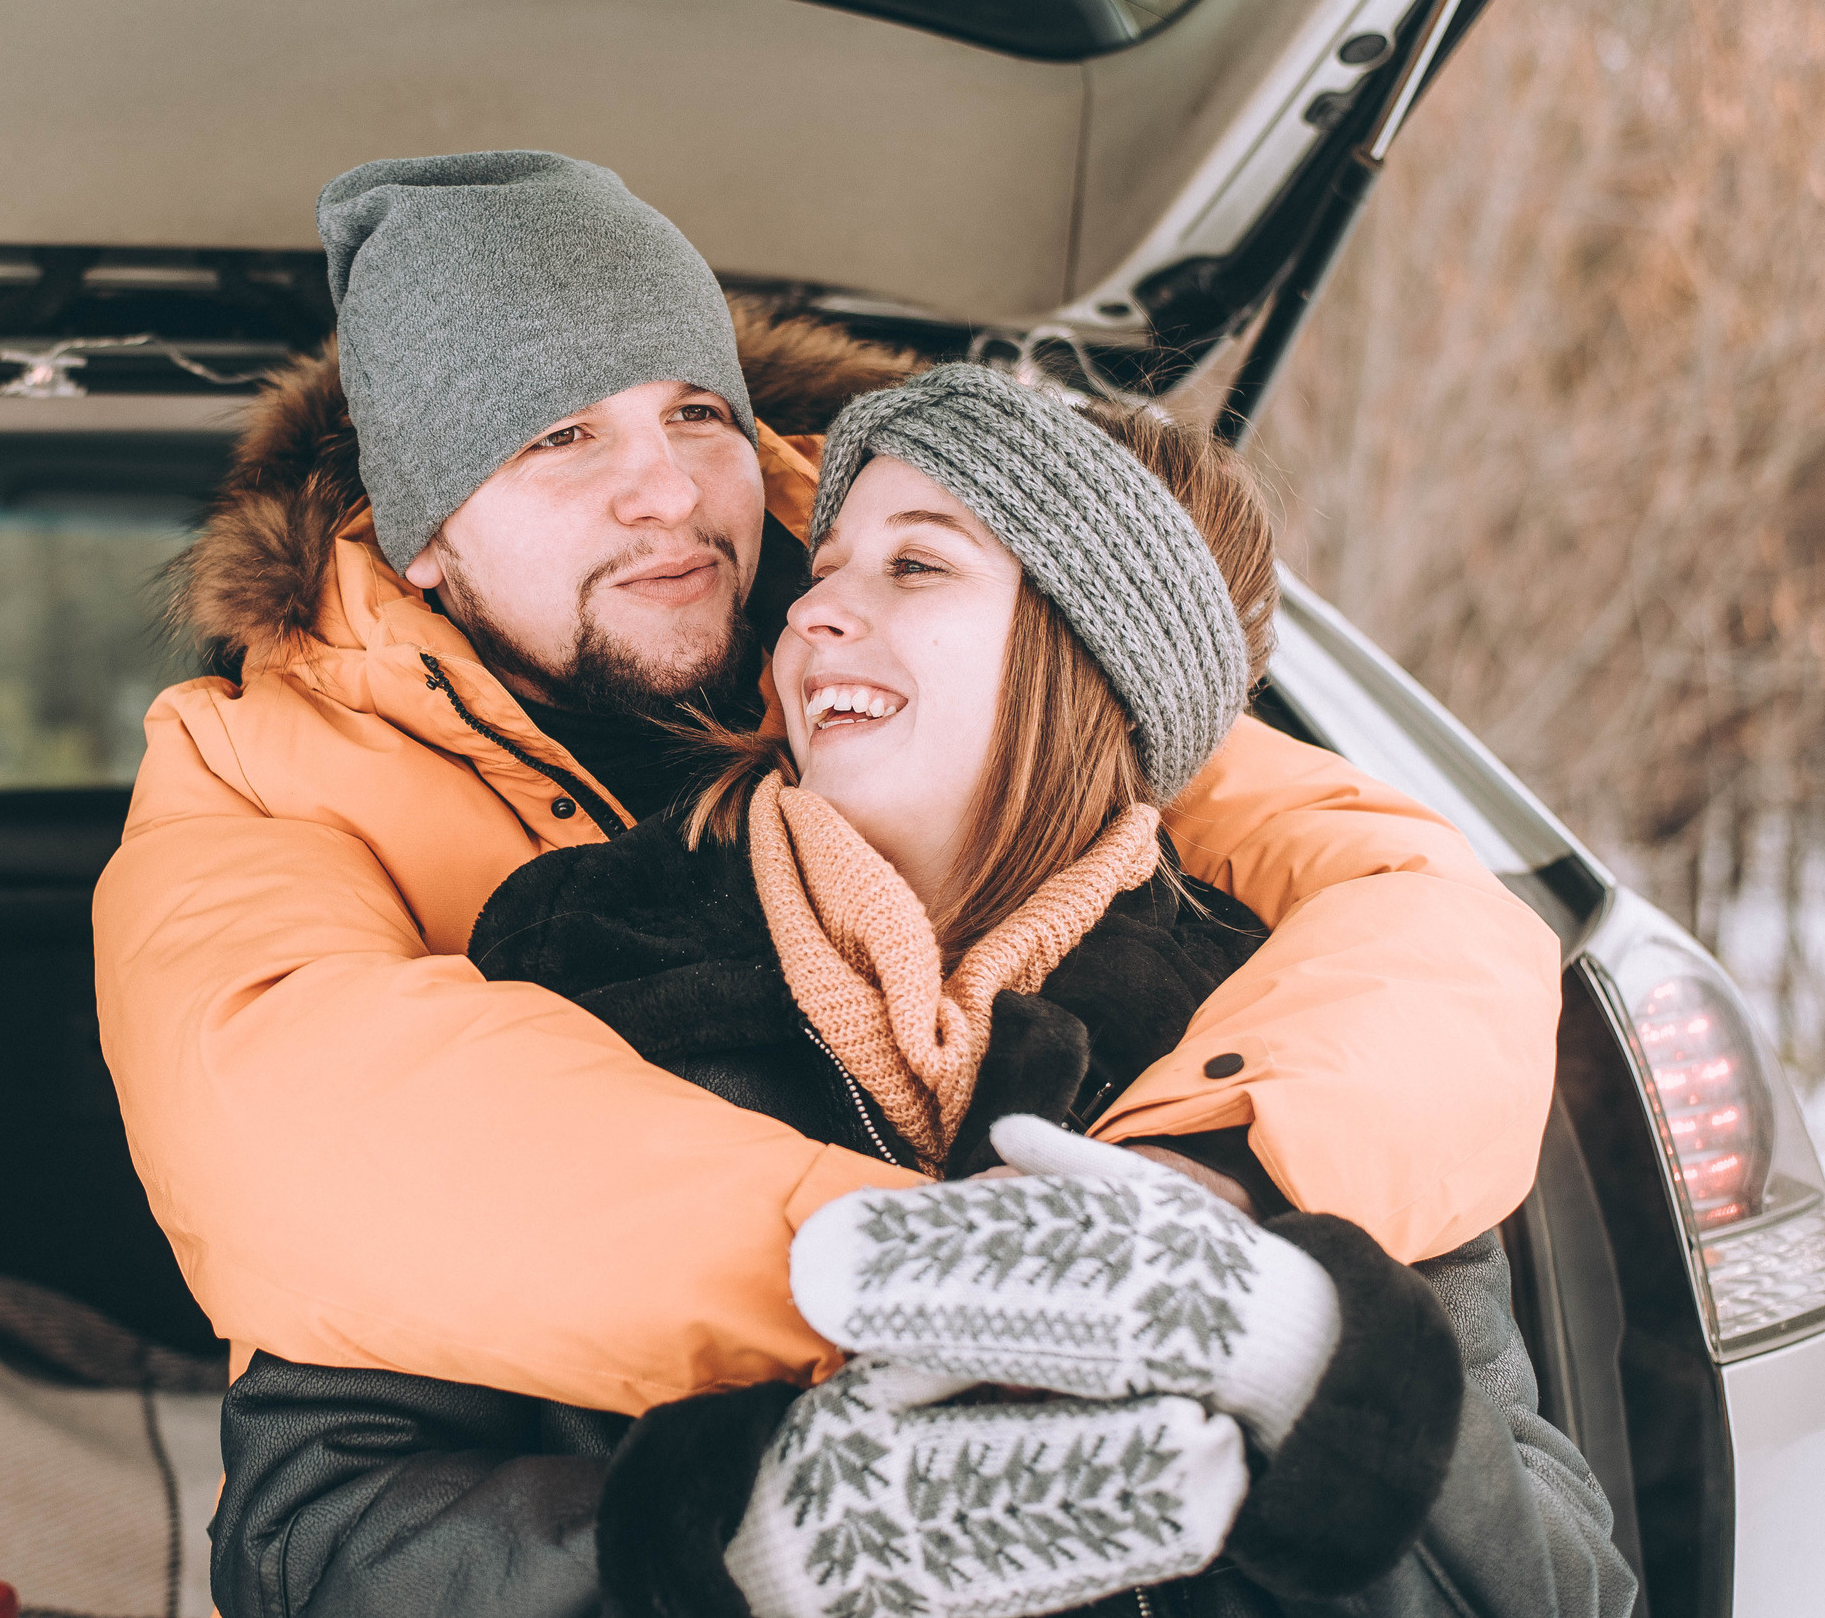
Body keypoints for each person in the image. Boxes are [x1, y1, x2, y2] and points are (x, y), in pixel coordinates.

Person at [93, 149, 1562, 1422]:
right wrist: (926, 1274)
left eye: (695, 414)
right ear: (420, 537)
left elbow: (1411, 912)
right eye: (559, 436)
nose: (665, 489)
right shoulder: (248, 769)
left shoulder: (948, 640)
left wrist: (1216, 1177)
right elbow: (294, 1125)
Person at [205, 366, 1632, 1618]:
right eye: (824, 564)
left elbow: (1569, 1586)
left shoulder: (1269, 1029)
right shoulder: (576, 960)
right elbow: (303, 1532)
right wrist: (731, 1550)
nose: (817, 607)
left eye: (917, 566)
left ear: (1088, 656)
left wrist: (1304, 1363)